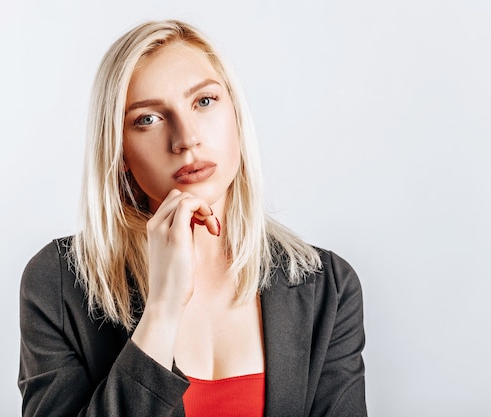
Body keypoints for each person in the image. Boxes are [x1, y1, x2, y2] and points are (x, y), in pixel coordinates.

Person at [18, 19, 367, 417]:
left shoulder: (326, 288)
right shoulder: (59, 282)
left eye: (204, 101)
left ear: (236, 113)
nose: (186, 138)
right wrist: (163, 308)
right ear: (119, 154)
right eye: (147, 119)